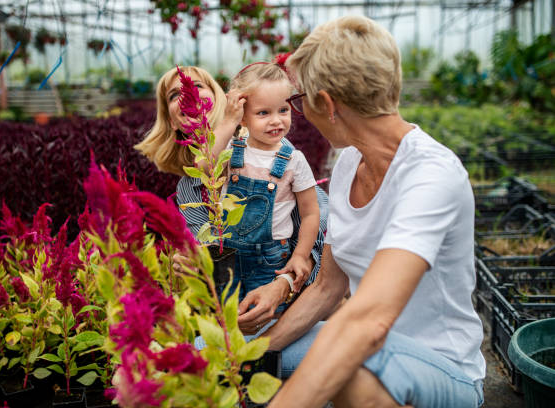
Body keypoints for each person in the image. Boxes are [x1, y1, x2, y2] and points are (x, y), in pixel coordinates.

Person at [237, 16, 486, 407]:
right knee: (212, 348)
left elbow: (369, 322)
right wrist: (250, 357)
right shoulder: (349, 164)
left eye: (298, 102)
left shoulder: (430, 175)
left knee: (355, 367)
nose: (297, 114)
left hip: (442, 370)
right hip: (373, 345)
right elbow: (328, 288)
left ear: (328, 105)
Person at [134, 66, 328, 324]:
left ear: (223, 100)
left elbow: (319, 220)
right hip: (231, 295)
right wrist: (194, 261)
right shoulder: (189, 187)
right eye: (173, 95)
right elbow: (209, 247)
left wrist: (285, 282)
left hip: (294, 295)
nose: (185, 97)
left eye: (197, 86)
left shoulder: (271, 147)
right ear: (173, 121)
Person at [220, 61, 320, 310]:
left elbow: (310, 213)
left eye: (283, 110)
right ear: (243, 116)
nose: (276, 121)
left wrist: (300, 255)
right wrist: (228, 122)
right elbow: (204, 169)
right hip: (227, 254)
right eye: (263, 113)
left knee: (266, 315)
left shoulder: (293, 160)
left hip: (271, 258)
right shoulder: (231, 150)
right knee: (228, 316)